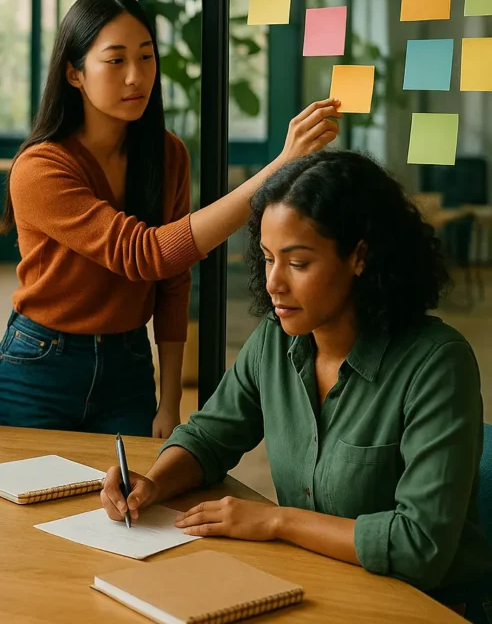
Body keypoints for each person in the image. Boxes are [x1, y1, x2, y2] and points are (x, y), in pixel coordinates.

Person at [99, 150, 492, 621]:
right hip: (317, 589)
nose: (273, 284)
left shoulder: (436, 364)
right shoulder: (275, 340)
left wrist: (276, 520)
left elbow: (419, 546)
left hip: (422, 608)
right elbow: (208, 437)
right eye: (267, 259)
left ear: (360, 257)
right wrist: (152, 485)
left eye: (298, 263)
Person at [0, 0, 340, 438]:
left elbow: (172, 280)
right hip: (41, 365)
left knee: (127, 507)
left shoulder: (167, 154)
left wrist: (169, 398)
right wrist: (279, 168)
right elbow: (145, 254)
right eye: (115, 61)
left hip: (129, 365)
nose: (136, 76)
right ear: (74, 73)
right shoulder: (39, 168)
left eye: (146, 57)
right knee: (34, 506)